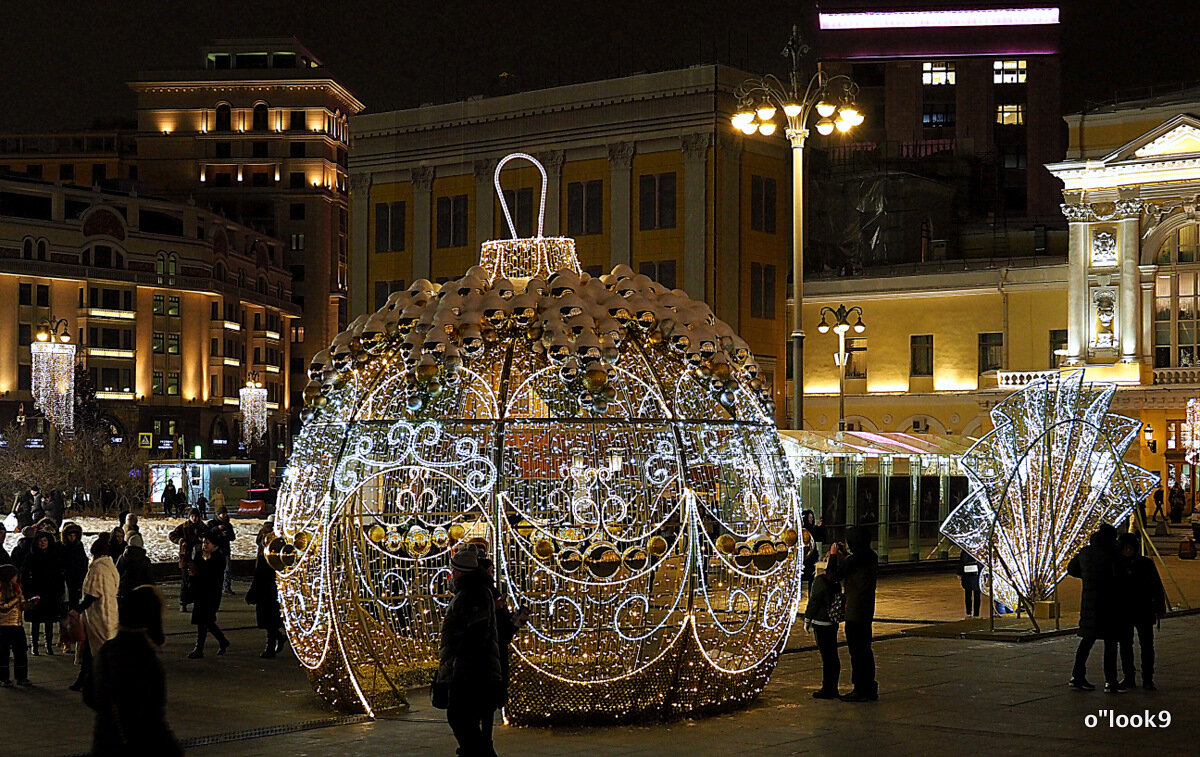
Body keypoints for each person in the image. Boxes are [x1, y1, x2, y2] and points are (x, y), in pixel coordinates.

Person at [86, 584, 183, 756]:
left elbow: (89, 695)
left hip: (104, 742)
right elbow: (153, 719)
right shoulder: (145, 658)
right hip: (137, 745)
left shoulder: (107, 649)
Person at [436, 548, 503, 757]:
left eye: (454, 570)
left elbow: (476, 633)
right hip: (471, 668)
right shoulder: (472, 592)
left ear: (462, 571)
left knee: (461, 718)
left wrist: (460, 663)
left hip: (471, 671)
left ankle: (475, 753)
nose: (452, 574)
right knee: (466, 721)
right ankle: (473, 752)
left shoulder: (473, 593)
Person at [1067, 524, 1120, 692]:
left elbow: (1071, 568)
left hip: (1089, 603)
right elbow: (1117, 575)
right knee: (1110, 643)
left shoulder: (1086, 552)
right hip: (1109, 603)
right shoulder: (1112, 554)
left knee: (1087, 641)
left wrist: (1087, 576)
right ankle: (1110, 681)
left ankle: (1077, 676)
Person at [828, 525, 878, 702]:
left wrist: (833, 556)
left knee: (856, 651)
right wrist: (844, 557)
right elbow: (851, 566)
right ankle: (869, 687)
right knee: (865, 649)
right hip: (866, 609)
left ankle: (860, 689)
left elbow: (832, 576)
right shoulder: (871, 556)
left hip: (854, 611)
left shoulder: (854, 560)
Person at [1115, 532, 1167, 691]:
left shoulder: (1144, 563)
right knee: (1126, 645)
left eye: (1130, 547)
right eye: (1125, 547)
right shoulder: (1117, 564)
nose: (1128, 550)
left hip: (1143, 609)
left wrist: (1159, 607)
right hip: (1126, 610)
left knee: (1146, 645)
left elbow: (1157, 586)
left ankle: (1147, 678)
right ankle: (1130, 677)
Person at [70, 533, 120, 693]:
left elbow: (93, 593)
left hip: (98, 615)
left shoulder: (98, 569)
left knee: (97, 649)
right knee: (94, 650)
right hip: (109, 612)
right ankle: (85, 679)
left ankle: (96, 681)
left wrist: (78, 609)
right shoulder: (110, 567)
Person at [804, 553, 842, 699]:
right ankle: (832, 686)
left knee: (827, 657)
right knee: (832, 655)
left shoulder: (820, 580)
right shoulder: (835, 581)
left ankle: (828, 688)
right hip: (832, 622)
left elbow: (814, 601)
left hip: (821, 622)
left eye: (826, 558)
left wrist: (807, 619)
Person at [21, 531, 64, 656]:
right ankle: (34, 645)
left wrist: (58, 590)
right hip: (35, 593)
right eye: (40, 541)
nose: (42, 543)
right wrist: (28, 592)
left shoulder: (54, 556)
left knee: (49, 621)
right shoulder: (30, 557)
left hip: (50, 593)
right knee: (35, 622)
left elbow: (59, 575)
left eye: (45, 541)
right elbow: (24, 575)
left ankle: (48, 645)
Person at [188, 532, 230, 659]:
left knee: (204, 621)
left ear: (214, 544)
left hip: (211, 593)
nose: (204, 545)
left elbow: (213, 575)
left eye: (207, 543)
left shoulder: (219, 557)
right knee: (207, 621)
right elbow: (196, 569)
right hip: (200, 592)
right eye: (203, 543)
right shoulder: (201, 555)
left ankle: (199, 648)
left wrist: (207, 561)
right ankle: (222, 641)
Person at [246, 522, 284, 658]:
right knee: (269, 622)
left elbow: (259, 576)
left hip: (268, 592)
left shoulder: (269, 557)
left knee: (270, 621)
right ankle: (277, 639)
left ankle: (270, 647)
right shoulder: (269, 555)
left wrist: (253, 592)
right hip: (269, 592)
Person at [0, 563, 34, 687]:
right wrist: (16, 600)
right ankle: (4, 678)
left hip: (17, 624)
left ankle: (21, 676)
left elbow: (22, 604)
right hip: (4, 624)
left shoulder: (17, 587)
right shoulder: (1, 589)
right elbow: (2, 607)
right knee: (3, 652)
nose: (16, 578)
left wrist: (30, 603)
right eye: (14, 576)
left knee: (21, 651)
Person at [169, 508, 206, 613]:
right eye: (192, 516)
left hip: (199, 558)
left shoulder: (202, 527)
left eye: (196, 516)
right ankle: (183, 603)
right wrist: (180, 541)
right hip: (186, 558)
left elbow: (209, 537)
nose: (194, 518)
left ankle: (197, 603)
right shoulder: (184, 527)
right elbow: (172, 535)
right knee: (185, 582)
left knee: (198, 582)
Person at [207, 506, 237, 595]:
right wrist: (217, 529)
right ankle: (213, 587)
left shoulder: (228, 525)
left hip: (225, 550)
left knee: (227, 569)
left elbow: (232, 538)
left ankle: (227, 587)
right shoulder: (212, 523)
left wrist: (227, 534)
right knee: (214, 570)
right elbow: (208, 534)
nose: (224, 515)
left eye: (225, 513)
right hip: (215, 550)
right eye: (222, 514)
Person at [116, 533, 155, 602]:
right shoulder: (144, 559)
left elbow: (117, 572)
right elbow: (149, 576)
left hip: (124, 590)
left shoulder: (122, 557)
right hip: (140, 590)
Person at [957, 549, 983, 618]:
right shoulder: (979, 549)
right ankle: (976, 613)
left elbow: (962, 561)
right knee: (977, 594)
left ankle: (968, 612)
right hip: (977, 574)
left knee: (968, 594)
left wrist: (959, 573)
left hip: (967, 575)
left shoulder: (965, 550)